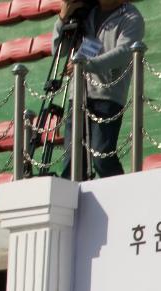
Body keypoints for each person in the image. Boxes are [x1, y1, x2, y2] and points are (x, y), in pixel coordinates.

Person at [54, 0, 145, 179]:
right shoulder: (85, 13)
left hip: (107, 96)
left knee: (101, 156)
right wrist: (62, 19)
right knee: (72, 162)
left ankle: (123, 195)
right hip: (78, 94)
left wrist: (87, 65)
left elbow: (124, 52)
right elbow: (58, 51)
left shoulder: (131, 17)